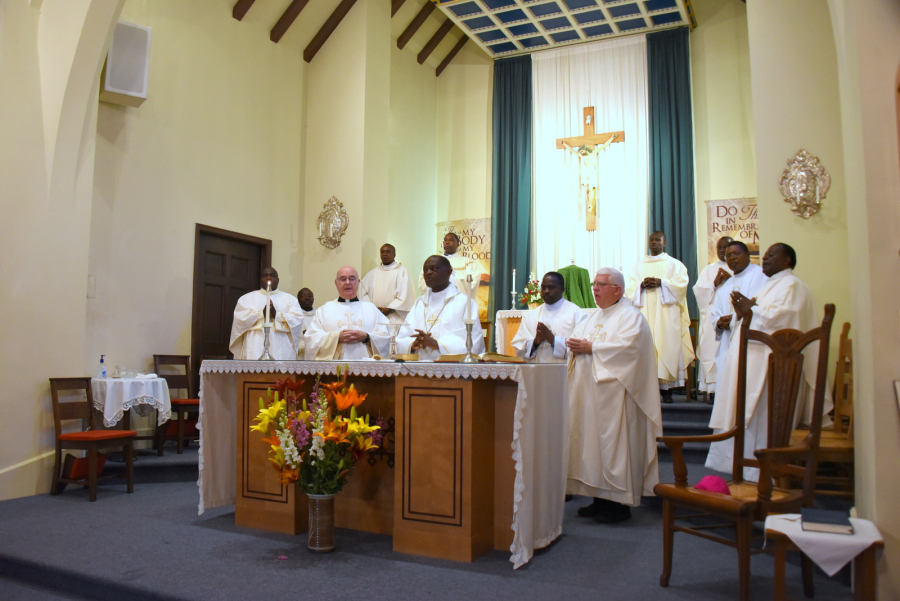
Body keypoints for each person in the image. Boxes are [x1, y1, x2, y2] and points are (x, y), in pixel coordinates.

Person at [705, 243, 832, 479]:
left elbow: (785, 320)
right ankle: (745, 469)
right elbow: (753, 316)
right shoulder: (770, 286)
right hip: (754, 360)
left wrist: (750, 310)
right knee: (745, 414)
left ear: (787, 260)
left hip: (771, 366)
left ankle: (762, 473)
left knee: (763, 417)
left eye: (771, 255)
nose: (764, 259)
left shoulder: (793, 285)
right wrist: (742, 312)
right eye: (764, 256)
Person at [565, 268, 662, 524]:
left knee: (613, 448)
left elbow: (630, 350)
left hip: (617, 398)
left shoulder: (631, 317)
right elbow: (578, 343)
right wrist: (575, 348)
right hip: (590, 396)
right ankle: (598, 499)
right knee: (592, 448)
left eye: (601, 284)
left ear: (617, 289)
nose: (594, 288)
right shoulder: (591, 316)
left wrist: (592, 348)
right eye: (594, 284)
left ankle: (619, 505)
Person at [625, 232, 695, 402]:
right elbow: (630, 288)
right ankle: (645, 391)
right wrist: (641, 285)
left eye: (658, 240)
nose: (654, 242)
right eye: (652, 240)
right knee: (645, 347)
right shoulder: (638, 265)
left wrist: (661, 283)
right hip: (644, 312)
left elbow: (681, 286)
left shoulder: (674, 264)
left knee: (665, 346)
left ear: (665, 242)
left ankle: (666, 391)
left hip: (666, 312)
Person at [398, 255, 485, 361]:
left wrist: (437, 344)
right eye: (425, 270)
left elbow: (473, 340)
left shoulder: (464, 302)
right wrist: (413, 343)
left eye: (434, 269)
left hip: (452, 370)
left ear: (448, 272)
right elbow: (403, 336)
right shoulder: (419, 303)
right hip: (417, 366)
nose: (428, 273)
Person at [710, 241, 767, 381]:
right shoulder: (727, 284)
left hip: (752, 342)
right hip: (728, 342)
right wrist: (718, 322)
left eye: (737, 253)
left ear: (748, 255)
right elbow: (715, 312)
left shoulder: (760, 275)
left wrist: (734, 319)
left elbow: (763, 306)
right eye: (728, 255)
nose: (732, 258)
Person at [303, 266, 387, 360]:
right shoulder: (324, 310)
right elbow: (311, 339)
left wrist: (366, 337)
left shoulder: (371, 309)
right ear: (336, 283)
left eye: (352, 279)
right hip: (333, 371)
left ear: (358, 282)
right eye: (343, 279)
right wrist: (336, 337)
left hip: (366, 369)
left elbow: (386, 337)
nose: (348, 282)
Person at [229, 267, 306, 360]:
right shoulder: (246, 299)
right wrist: (261, 313)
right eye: (265, 276)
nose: (268, 278)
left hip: (282, 345)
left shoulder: (290, 299)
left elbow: (297, 319)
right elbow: (240, 319)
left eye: (272, 275)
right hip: (255, 343)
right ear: (260, 280)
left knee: (281, 373)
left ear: (278, 280)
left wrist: (277, 314)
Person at [510, 272, 588, 363]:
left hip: (564, 374)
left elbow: (583, 349)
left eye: (551, 287)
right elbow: (518, 347)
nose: (546, 291)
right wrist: (535, 342)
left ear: (562, 289)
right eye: (543, 287)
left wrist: (553, 340)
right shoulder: (531, 316)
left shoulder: (577, 314)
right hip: (536, 374)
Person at [692, 236, 733, 397]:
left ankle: (729, 389)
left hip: (731, 317)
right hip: (712, 318)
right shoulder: (709, 270)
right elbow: (699, 291)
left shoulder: (739, 268)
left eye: (726, 247)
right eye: (720, 247)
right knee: (710, 349)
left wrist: (729, 281)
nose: (723, 251)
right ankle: (712, 390)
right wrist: (714, 283)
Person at [359, 244, 415, 326]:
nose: (385, 254)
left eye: (388, 252)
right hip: (376, 316)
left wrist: (390, 309)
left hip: (395, 317)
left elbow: (405, 294)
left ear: (394, 255)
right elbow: (363, 291)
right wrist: (373, 308)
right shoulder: (372, 274)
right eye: (382, 252)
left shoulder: (401, 272)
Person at [417, 232, 484, 295]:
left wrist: (449, 279)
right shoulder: (434, 262)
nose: (447, 242)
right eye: (445, 240)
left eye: (451, 240)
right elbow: (422, 283)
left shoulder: (467, 262)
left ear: (458, 244)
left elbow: (473, 282)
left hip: (459, 301)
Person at [296, 288, 316, 359]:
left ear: (313, 299)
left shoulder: (319, 316)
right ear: (297, 300)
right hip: (299, 358)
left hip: (316, 358)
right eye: (303, 296)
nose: (307, 298)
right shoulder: (294, 317)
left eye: (309, 296)